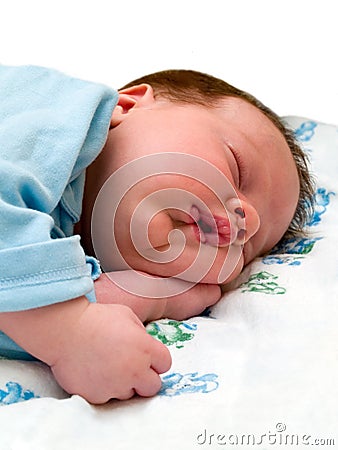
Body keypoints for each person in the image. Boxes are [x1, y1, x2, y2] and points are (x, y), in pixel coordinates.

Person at [0, 65, 314, 404]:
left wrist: (142, 298)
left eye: (247, 247)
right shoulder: (55, 115)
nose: (245, 221)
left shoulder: (43, 271)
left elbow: (16, 305)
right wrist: (67, 331)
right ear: (128, 105)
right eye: (236, 167)